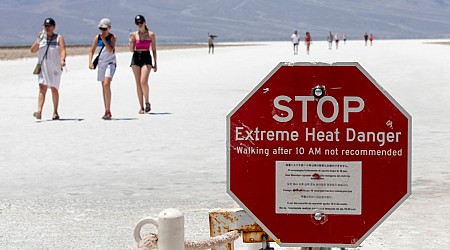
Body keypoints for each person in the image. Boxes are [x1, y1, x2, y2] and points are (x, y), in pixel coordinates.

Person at [30, 17, 66, 120]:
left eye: (49, 26)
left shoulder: (59, 38)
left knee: (54, 88)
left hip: (54, 67)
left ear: (53, 27)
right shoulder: (42, 38)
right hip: (43, 67)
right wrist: (38, 39)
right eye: (45, 26)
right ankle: (39, 111)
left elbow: (63, 50)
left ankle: (55, 112)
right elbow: (33, 50)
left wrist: (63, 59)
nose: (47, 28)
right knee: (42, 88)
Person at [129, 15, 158, 114]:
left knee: (143, 81)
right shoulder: (134, 34)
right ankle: (141, 107)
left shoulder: (151, 34)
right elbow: (131, 50)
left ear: (145, 22)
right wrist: (131, 42)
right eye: (137, 23)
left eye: (141, 22)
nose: (139, 24)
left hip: (146, 56)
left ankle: (147, 102)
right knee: (138, 82)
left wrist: (155, 63)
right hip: (136, 57)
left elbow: (153, 49)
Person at [89, 18, 117, 120]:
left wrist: (104, 39)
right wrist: (90, 62)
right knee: (103, 87)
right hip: (101, 64)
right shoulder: (97, 38)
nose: (102, 31)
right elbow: (91, 51)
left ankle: (108, 110)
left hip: (110, 63)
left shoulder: (112, 37)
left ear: (109, 28)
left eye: (104, 29)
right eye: (101, 28)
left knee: (106, 84)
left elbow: (110, 50)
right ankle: (106, 109)